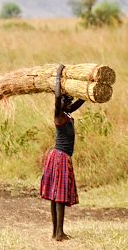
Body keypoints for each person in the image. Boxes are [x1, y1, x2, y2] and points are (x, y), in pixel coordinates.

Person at [40, 64, 85, 241]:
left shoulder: (67, 112)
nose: (70, 102)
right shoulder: (59, 114)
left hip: (59, 157)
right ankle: (58, 232)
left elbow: (80, 101)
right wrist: (58, 75)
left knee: (55, 196)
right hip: (60, 157)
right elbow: (58, 96)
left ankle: (56, 232)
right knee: (58, 196)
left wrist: (88, 89)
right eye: (68, 100)